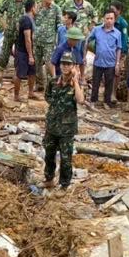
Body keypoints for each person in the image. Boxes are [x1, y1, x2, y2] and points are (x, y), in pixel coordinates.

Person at [45, 47, 83, 189]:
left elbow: (80, 100)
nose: (65, 66)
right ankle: (49, 179)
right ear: (60, 65)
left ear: (73, 66)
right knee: (49, 155)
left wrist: (76, 81)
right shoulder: (53, 82)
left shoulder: (75, 85)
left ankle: (64, 184)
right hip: (52, 126)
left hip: (67, 129)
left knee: (66, 159)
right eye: (63, 64)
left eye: (68, 64)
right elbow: (47, 97)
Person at [87, 10, 123, 109]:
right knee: (96, 83)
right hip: (98, 62)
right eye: (107, 18)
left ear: (114, 20)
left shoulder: (117, 33)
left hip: (111, 63)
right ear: (104, 19)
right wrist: (84, 53)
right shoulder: (97, 30)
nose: (109, 20)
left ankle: (107, 102)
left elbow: (118, 48)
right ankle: (93, 101)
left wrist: (117, 63)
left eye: (111, 18)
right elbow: (88, 40)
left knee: (109, 84)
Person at [33, 0, 60, 91]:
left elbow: (59, 24)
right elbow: (32, 22)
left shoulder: (56, 8)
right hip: (37, 40)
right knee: (37, 63)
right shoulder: (37, 7)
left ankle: (50, 85)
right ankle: (39, 84)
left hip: (49, 42)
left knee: (49, 63)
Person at [0, 0, 27, 75]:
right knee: (5, 51)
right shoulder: (9, 1)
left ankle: (18, 71)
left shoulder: (27, 3)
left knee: (20, 52)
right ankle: (1, 70)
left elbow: (33, 14)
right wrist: (4, 24)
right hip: (9, 31)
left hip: (21, 33)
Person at [13, 0, 38, 103]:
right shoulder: (26, 20)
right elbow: (27, 39)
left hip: (30, 50)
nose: (37, 9)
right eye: (36, 7)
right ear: (32, 8)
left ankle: (31, 92)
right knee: (19, 73)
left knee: (32, 72)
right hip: (23, 51)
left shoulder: (31, 19)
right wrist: (30, 55)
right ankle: (16, 95)